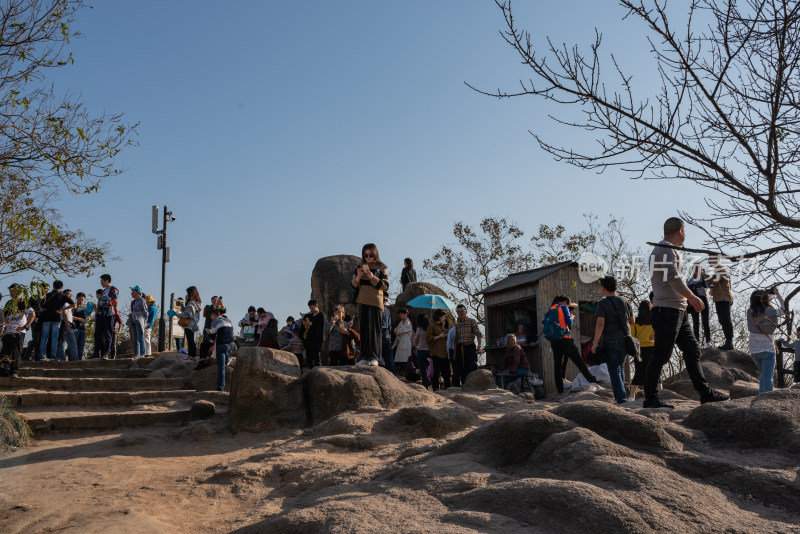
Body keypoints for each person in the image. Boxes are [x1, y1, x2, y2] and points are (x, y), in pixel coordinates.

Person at [646, 217, 728, 410]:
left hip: (677, 310)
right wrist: (692, 297)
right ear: (681, 231)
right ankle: (650, 398)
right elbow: (674, 278)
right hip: (667, 310)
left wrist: (687, 300)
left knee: (692, 350)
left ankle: (706, 394)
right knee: (660, 355)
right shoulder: (665, 249)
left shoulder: (668, 250)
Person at [591, 276, 631, 404]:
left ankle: (620, 399)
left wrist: (595, 343)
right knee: (620, 368)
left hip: (611, 340)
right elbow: (632, 320)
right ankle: (622, 396)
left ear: (603, 288)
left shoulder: (603, 303)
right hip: (625, 339)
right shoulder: (625, 301)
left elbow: (600, 324)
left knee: (614, 370)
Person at [546, 295, 598, 393]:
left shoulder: (551, 309)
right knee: (578, 359)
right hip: (565, 339)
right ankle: (591, 379)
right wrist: (572, 317)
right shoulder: (563, 307)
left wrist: (569, 304)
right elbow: (569, 323)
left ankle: (560, 388)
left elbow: (575, 305)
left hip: (554, 340)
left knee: (557, 363)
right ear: (565, 302)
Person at [351, 243, 389, 367]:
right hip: (362, 301)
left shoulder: (382, 267)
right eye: (365, 255)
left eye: (371, 255)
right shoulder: (360, 266)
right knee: (364, 330)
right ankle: (364, 357)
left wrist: (372, 278)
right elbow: (354, 285)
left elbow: (385, 286)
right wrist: (358, 277)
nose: (368, 257)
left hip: (376, 302)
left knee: (374, 330)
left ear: (375, 254)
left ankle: (375, 357)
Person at [747, 288, 784, 395]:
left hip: (754, 351)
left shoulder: (749, 312)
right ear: (764, 299)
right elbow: (783, 309)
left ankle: (760, 397)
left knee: (764, 375)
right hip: (767, 350)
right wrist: (777, 295)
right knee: (768, 377)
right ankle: (765, 401)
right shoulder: (770, 311)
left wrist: (768, 296)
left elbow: (760, 306)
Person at [2, 284, 35, 377]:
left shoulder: (23, 302)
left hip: (18, 331)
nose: (12, 293)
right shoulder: (9, 303)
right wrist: (6, 321)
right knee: (5, 352)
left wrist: (25, 326)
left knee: (16, 351)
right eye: (11, 291)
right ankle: (3, 370)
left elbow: (32, 314)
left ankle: (14, 371)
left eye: (14, 291)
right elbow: (5, 315)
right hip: (8, 330)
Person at [38, 280, 74, 361]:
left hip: (47, 317)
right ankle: (53, 356)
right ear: (61, 287)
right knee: (54, 338)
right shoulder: (63, 295)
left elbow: (41, 306)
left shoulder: (47, 295)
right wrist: (62, 309)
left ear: (53, 286)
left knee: (44, 337)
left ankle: (42, 355)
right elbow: (73, 304)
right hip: (57, 317)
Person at [707, 256, 735, 350]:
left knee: (725, 320)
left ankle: (729, 342)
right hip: (721, 298)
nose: (709, 261)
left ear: (717, 260)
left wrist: (704, 276)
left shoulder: (721, 269)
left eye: (711, 259)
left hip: (723, 298)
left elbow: (715, 281)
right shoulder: (718, 270)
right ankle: (728, 341)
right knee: (723, 320)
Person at [629, 300, 655, 400]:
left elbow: (632, 336)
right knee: (654, 371)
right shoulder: (654, 321)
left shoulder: (635, 322)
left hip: (639, 349)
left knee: (639, 372)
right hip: (652, 348)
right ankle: (660, 392)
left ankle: (632, 396)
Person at [454, 304, 483, 384]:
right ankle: (465, 386)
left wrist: (479, 346)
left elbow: (479, 334)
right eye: (458, 312)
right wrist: (455, 353)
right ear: (457, 313)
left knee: (472, 367)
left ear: (466, 311)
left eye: (462, 311)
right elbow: (456, 340)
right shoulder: (457, 324)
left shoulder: (472, 321)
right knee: (461, 369)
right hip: (460, 348)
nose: (460, 313)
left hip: (470, 347)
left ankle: (474, 385)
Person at [206, 308, 234, 391]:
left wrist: (209, 332)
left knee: (221, 368)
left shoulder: (214, 322)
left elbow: (213, 337)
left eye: (211, 316)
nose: (211, 318)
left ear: (214, 315)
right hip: (232, 344)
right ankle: (228, 357)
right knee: (226, 349)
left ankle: (220, 388)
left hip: (222, 345)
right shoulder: (228, 320)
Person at [687, 265, 712, 348]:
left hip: (703, 298)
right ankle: (697, 342)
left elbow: (708, 285)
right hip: (694, 300)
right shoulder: (689, 280)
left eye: (699, 270)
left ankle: (708, 341)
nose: (697, 271)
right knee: (696, 322)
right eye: (695, 270)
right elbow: (686, 290)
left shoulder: (703, 277)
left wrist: (704, 275)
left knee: (705, 321)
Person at [96, 274, 119, 360]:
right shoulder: (103, 290)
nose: (101, 283)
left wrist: (104, 303)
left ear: (106, 281)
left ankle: (106, 353)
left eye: (101, 281)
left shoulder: (114, 289)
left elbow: (114, 301)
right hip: (101, 315)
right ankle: (98, 353)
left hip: (109, 315)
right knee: (99, 334)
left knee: (108, 334)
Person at [426, 309, 450, 390]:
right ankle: (436, 389)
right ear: (439, 317)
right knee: (436, 373)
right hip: (436, 353)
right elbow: (428, 339)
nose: (444, 318)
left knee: (447, 372)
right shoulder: (431, 326)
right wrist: (439, 336)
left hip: (444, 353)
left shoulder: (443, 326)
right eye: (443, 316)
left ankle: (448, 389)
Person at [176, 286, 202, 358]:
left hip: (189, 323)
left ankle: (192, 356)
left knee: (190, 340)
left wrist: (177, 314)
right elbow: (188, 312)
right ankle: (191, 355)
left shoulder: (191, 303)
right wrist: (182, 306)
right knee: (191, 339)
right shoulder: (197, 303)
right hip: (193, 323)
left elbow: (188, 314)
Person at [200, 296, 226, 361]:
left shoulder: (219, 308)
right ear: (211, 300)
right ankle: (204, 356)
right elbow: (208, 313)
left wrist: (222, 305)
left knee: (214, 339)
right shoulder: (208, 307)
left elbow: (224, 311)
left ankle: (211, 353)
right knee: (206, 340)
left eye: (217, 300)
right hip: (208, 324)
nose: (215, 300)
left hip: (216, 325)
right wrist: (215, 306)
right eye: (214, 299)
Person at [56, 289, 79, 362]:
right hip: (66, 324)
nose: (71, 296)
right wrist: (68, 326)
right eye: (69, 295)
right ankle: (75, 359)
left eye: (71, 294)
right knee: (72, 343)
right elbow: (64, 314)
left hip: (65, 324)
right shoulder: (65, 303)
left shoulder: (66, 304)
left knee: (61, 343)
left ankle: (62, 359)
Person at [301, 299, 325, 368]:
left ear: (316, 306)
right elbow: (303, 327)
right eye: (309, 308)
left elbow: (322, 327)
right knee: (309, 359)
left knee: (317, 360)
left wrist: (312, 324)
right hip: (309, 341)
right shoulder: (309, 316)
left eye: (312, 307)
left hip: (317, 341)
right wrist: (304, 323)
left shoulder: (321, 315)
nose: (310, 309)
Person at [126, 285, 148, 358]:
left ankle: (142, 353)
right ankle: (136, 354)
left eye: (133, 291)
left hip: (139, 320)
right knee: (135, 338)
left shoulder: (142, 300)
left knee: (140, 336)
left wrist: (144, 322)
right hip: (134, 319)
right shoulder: (134, 301)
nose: (131, 293)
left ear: (138, 292)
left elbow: (145, 312)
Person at [413, 314, 431, 389]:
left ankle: (426, 387)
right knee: (430, 369)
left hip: (420, 351)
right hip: (429, 351)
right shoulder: (430, 328)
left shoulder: (419, 329)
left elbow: (415, 341)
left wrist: (415, 345)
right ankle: (432, 385)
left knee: (423, 371)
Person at [72, 292, 90, 360]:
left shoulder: (84, 308)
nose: (81, 300)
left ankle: (79, 360)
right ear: (76, 298)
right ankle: (72, 360)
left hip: (82, 329)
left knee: (81, 347)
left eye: (82, 299)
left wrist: (87, 318)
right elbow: (70, 316)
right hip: (75, 329)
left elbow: (86, 318)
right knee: (74, 346)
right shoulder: (73, 307)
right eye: (80, 299)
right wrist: (79, 319)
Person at [380, 294, 395, 373]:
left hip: (386, 336)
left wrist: (389, 335)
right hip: (378, 336)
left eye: (386, 300)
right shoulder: (375, 309)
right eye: (383, 300)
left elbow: (389, 324)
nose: (384, 302)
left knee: (390, 361)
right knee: (380, 361)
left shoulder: (387, 310)